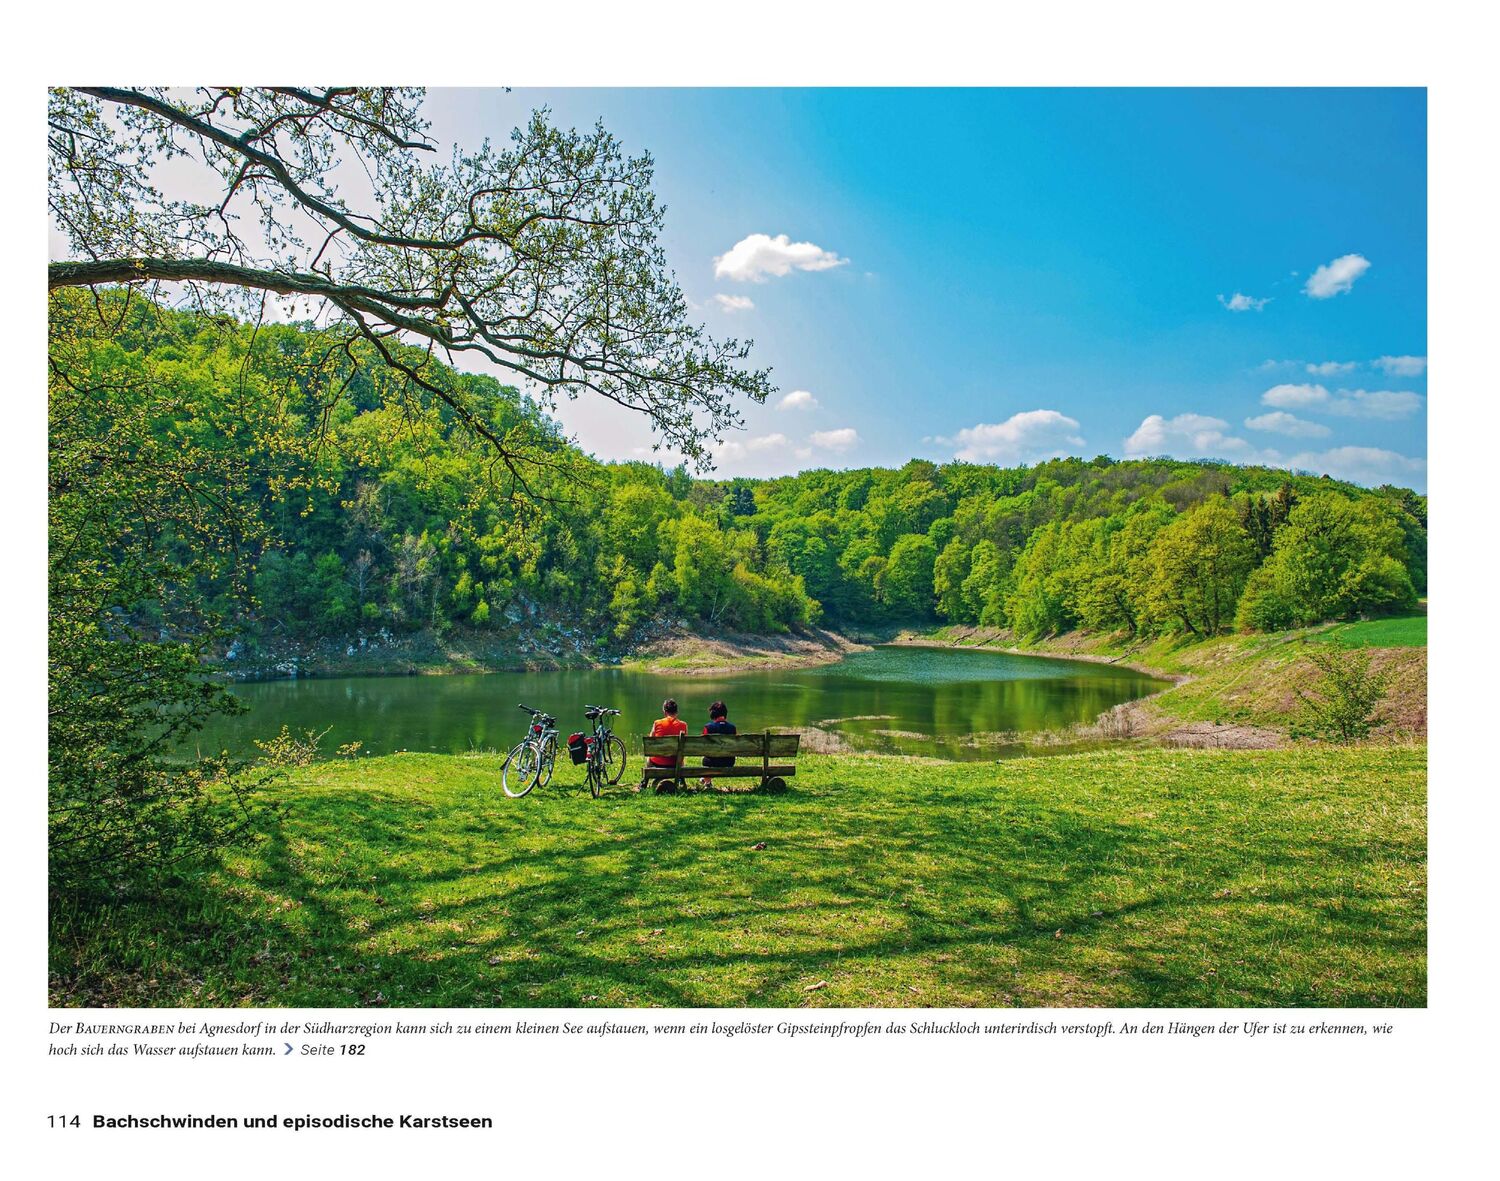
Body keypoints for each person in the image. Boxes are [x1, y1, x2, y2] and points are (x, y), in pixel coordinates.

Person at [648, 698, 688, 793]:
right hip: (675, 763)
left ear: (665, 712)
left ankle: (644, 782)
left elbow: (650, 741)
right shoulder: (683, 725)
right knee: (680, 755)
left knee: (649, 757)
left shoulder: (657, 723)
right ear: (676, 712)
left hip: (658, 762)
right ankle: (681, 780)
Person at [699, 700, 736, 788]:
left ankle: (707, 783)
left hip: (711, 762)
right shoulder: (732, 728)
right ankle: (706, 780)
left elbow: (701, 745)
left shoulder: (708, 727)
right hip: (729, 762)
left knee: (707, 758)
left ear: (713, 714)